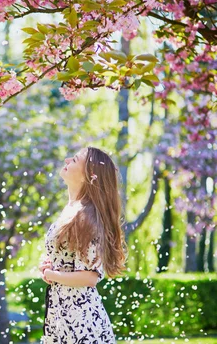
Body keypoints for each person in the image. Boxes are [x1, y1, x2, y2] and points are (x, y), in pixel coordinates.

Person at [38, 146, 127, 343]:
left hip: (80, 322)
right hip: (62, 316)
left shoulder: (86, 216)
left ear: (90, 175)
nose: (67, 160)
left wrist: (52, 275)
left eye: (75, 160)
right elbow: (67, 258)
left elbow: (90, 276)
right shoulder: (72, 209)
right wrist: (48, 264)